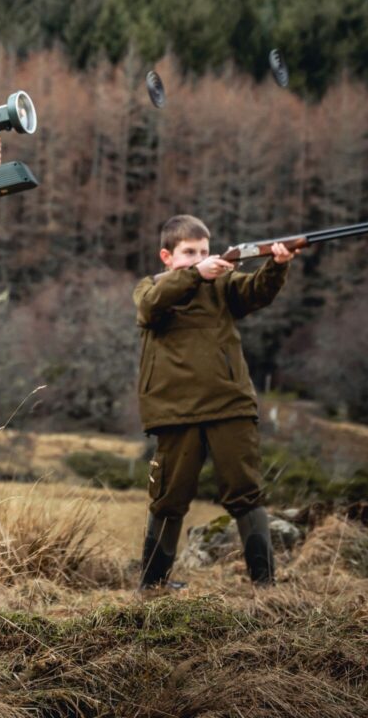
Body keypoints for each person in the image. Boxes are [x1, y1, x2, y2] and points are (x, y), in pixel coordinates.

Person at [133, 214, 298, 590]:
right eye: (189, 252)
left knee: (246, 492)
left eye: (204, 251)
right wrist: (195, 274)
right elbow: (150, 307)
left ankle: (265, 586)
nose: (199, 258)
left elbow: (256, 292)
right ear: (167, 256)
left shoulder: (223, 285)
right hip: (176, 412)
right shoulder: (151, 288)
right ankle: (152, 586)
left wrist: (276, 265)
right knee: (168, 499)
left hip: (230, 404)